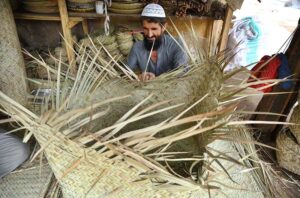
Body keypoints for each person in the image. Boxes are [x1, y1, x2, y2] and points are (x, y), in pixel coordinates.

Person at [127, 3, 188, 81]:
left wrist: (157, 80)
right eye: (145, 29)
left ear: (164, 27)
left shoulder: (177, 44)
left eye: (154, 29)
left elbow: (182, 75)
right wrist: (139, 76)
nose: (149, 34)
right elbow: (126, 74)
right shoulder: (137, 48)